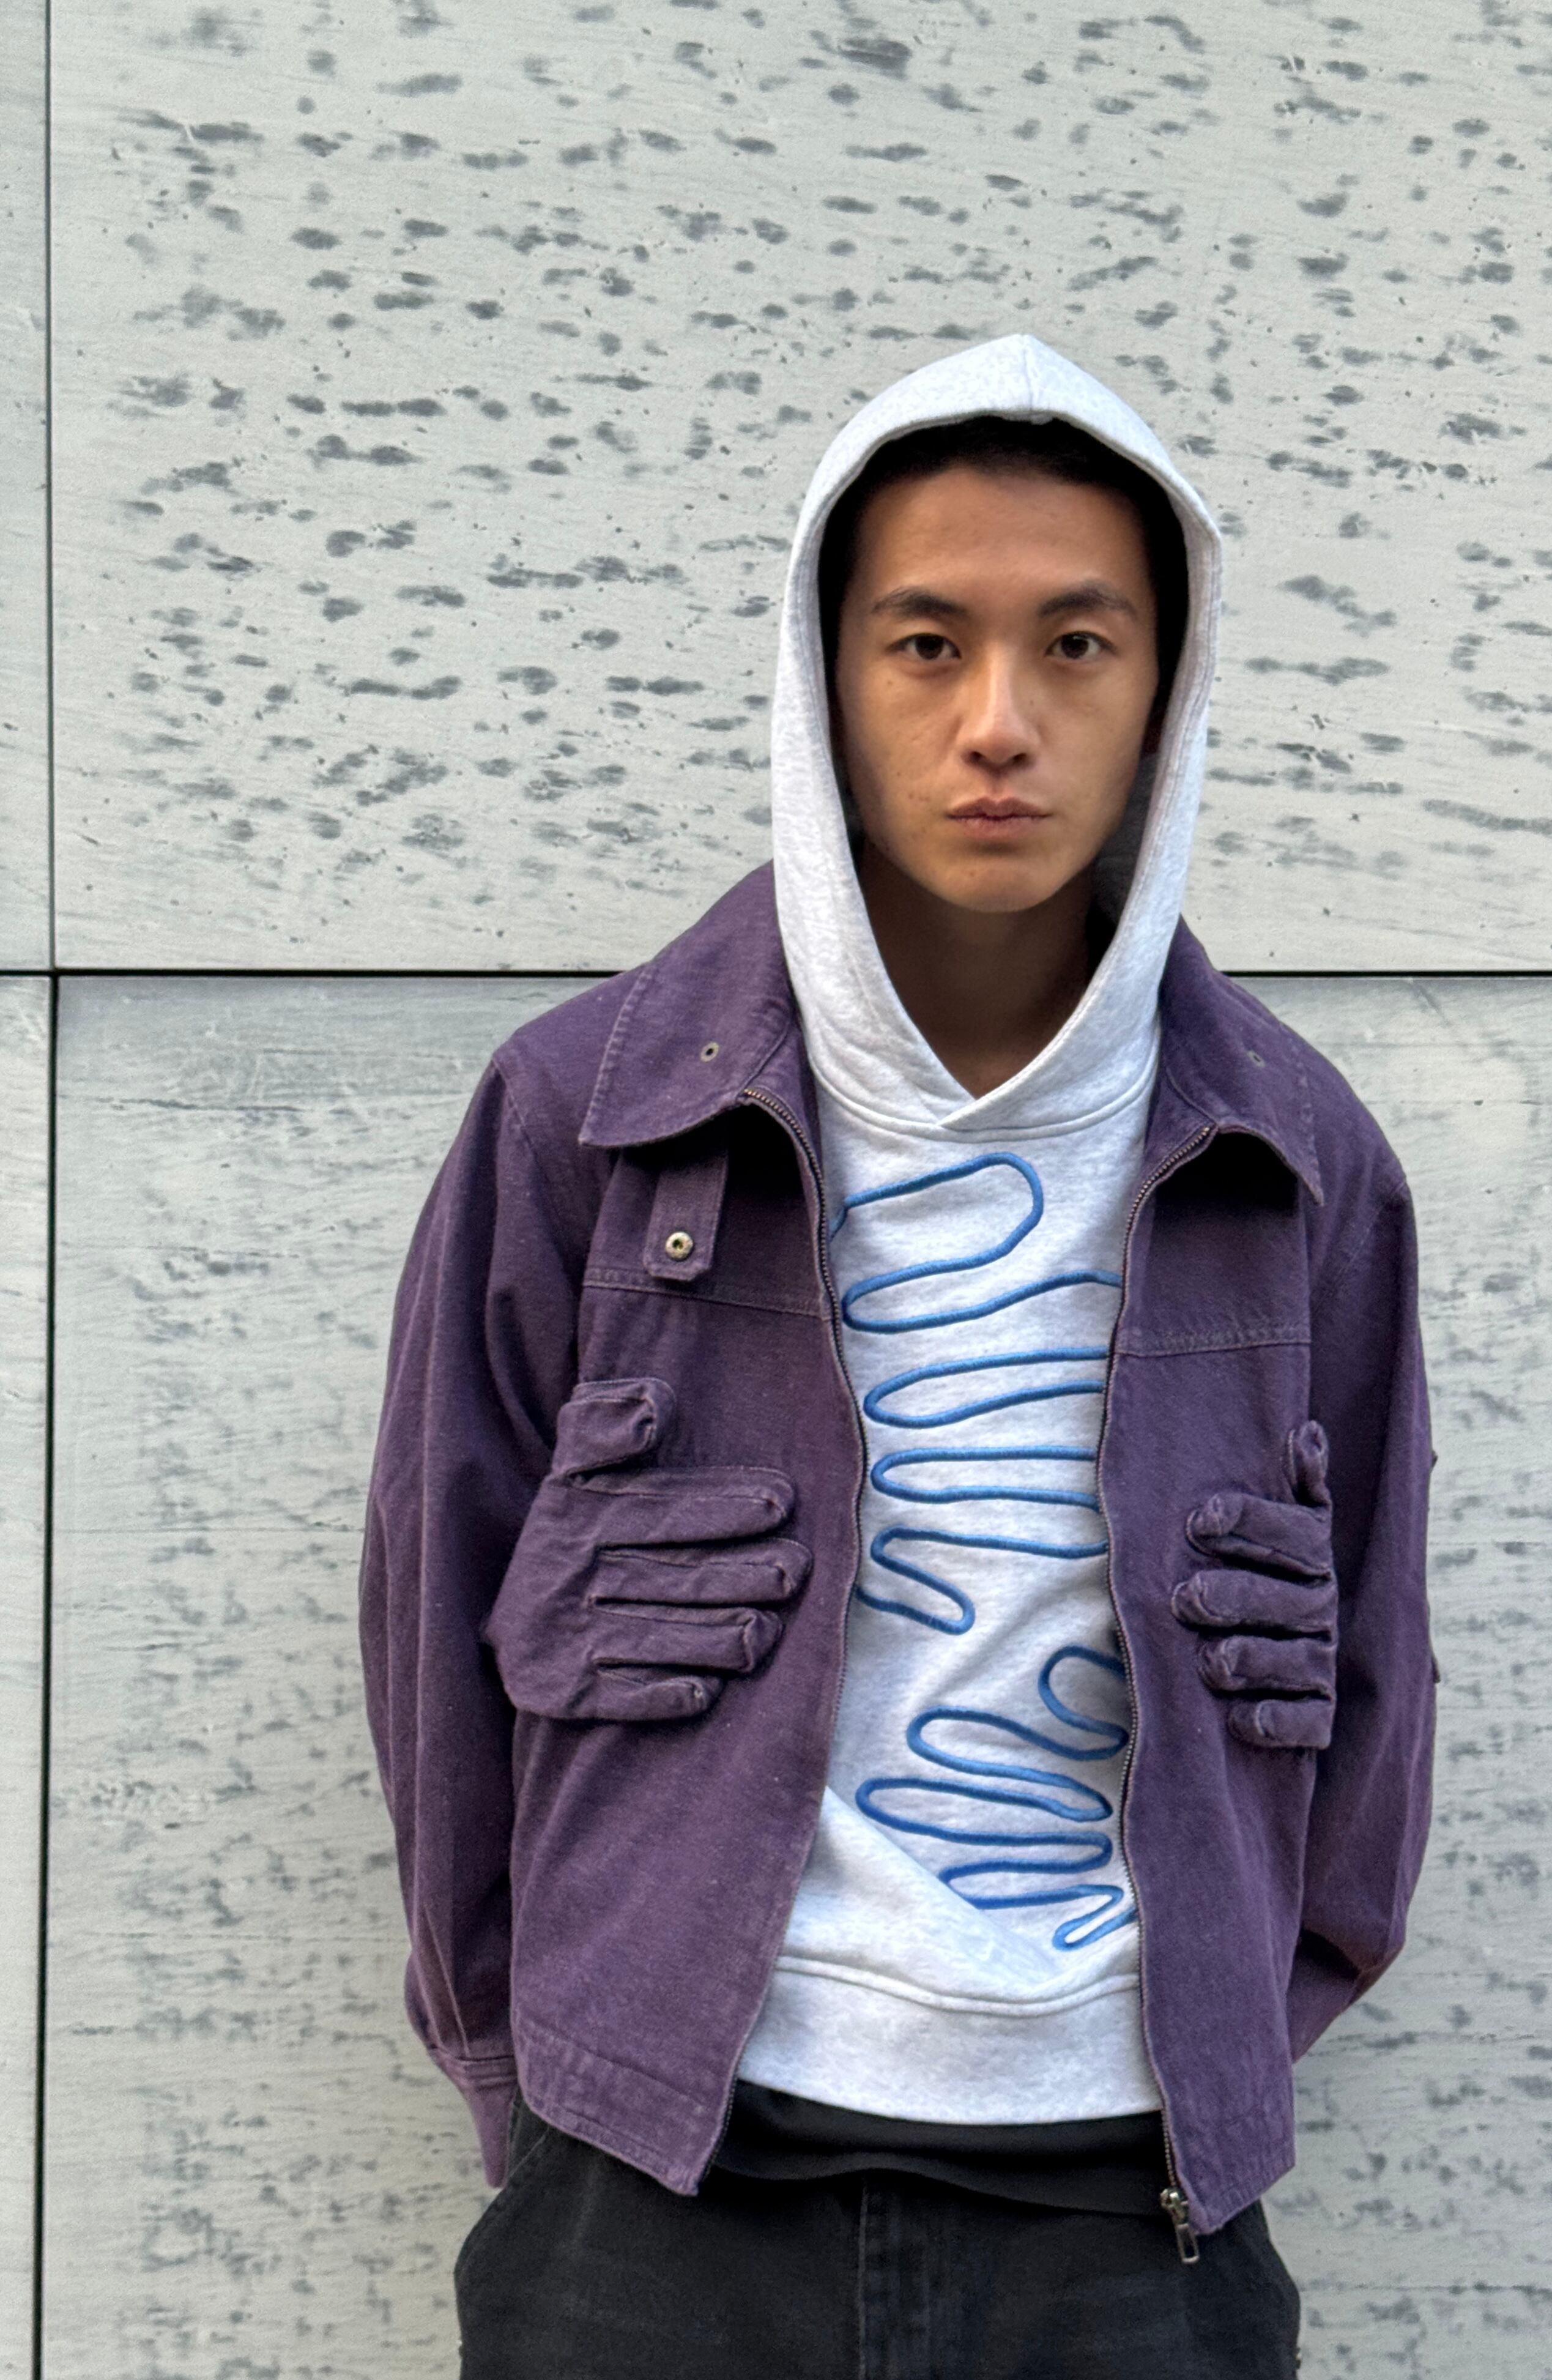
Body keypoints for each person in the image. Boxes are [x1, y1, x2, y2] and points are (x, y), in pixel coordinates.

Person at [360, 335, 1438, 2378]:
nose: (999, 722)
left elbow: (1374, 1681)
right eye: (927, 643)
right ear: (826, 676)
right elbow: (435, 1636)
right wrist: (543, 2101)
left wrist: (1228, 2042)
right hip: (654, 2203)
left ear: (1168, 690)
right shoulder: (587, 1117)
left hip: (1128, 2220)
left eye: (1079, 645)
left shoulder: (1299, 1163)